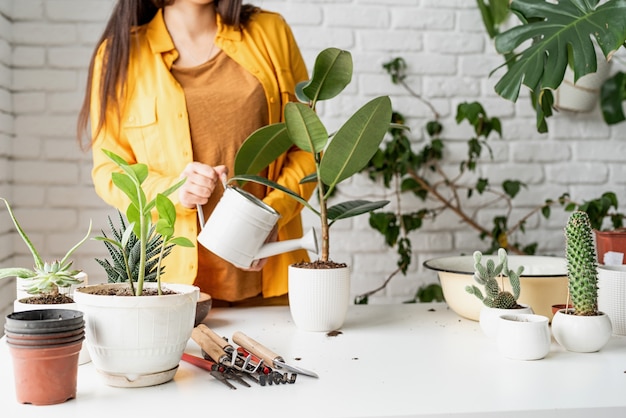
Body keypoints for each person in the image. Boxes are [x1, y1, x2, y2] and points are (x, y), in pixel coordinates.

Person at [77, 0, 316, 306]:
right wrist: (175, 191)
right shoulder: (117, 54)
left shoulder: (270, 32)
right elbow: (109, 172)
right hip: (172, 293)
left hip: (272, 280)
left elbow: (307, 146)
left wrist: (272, 214)